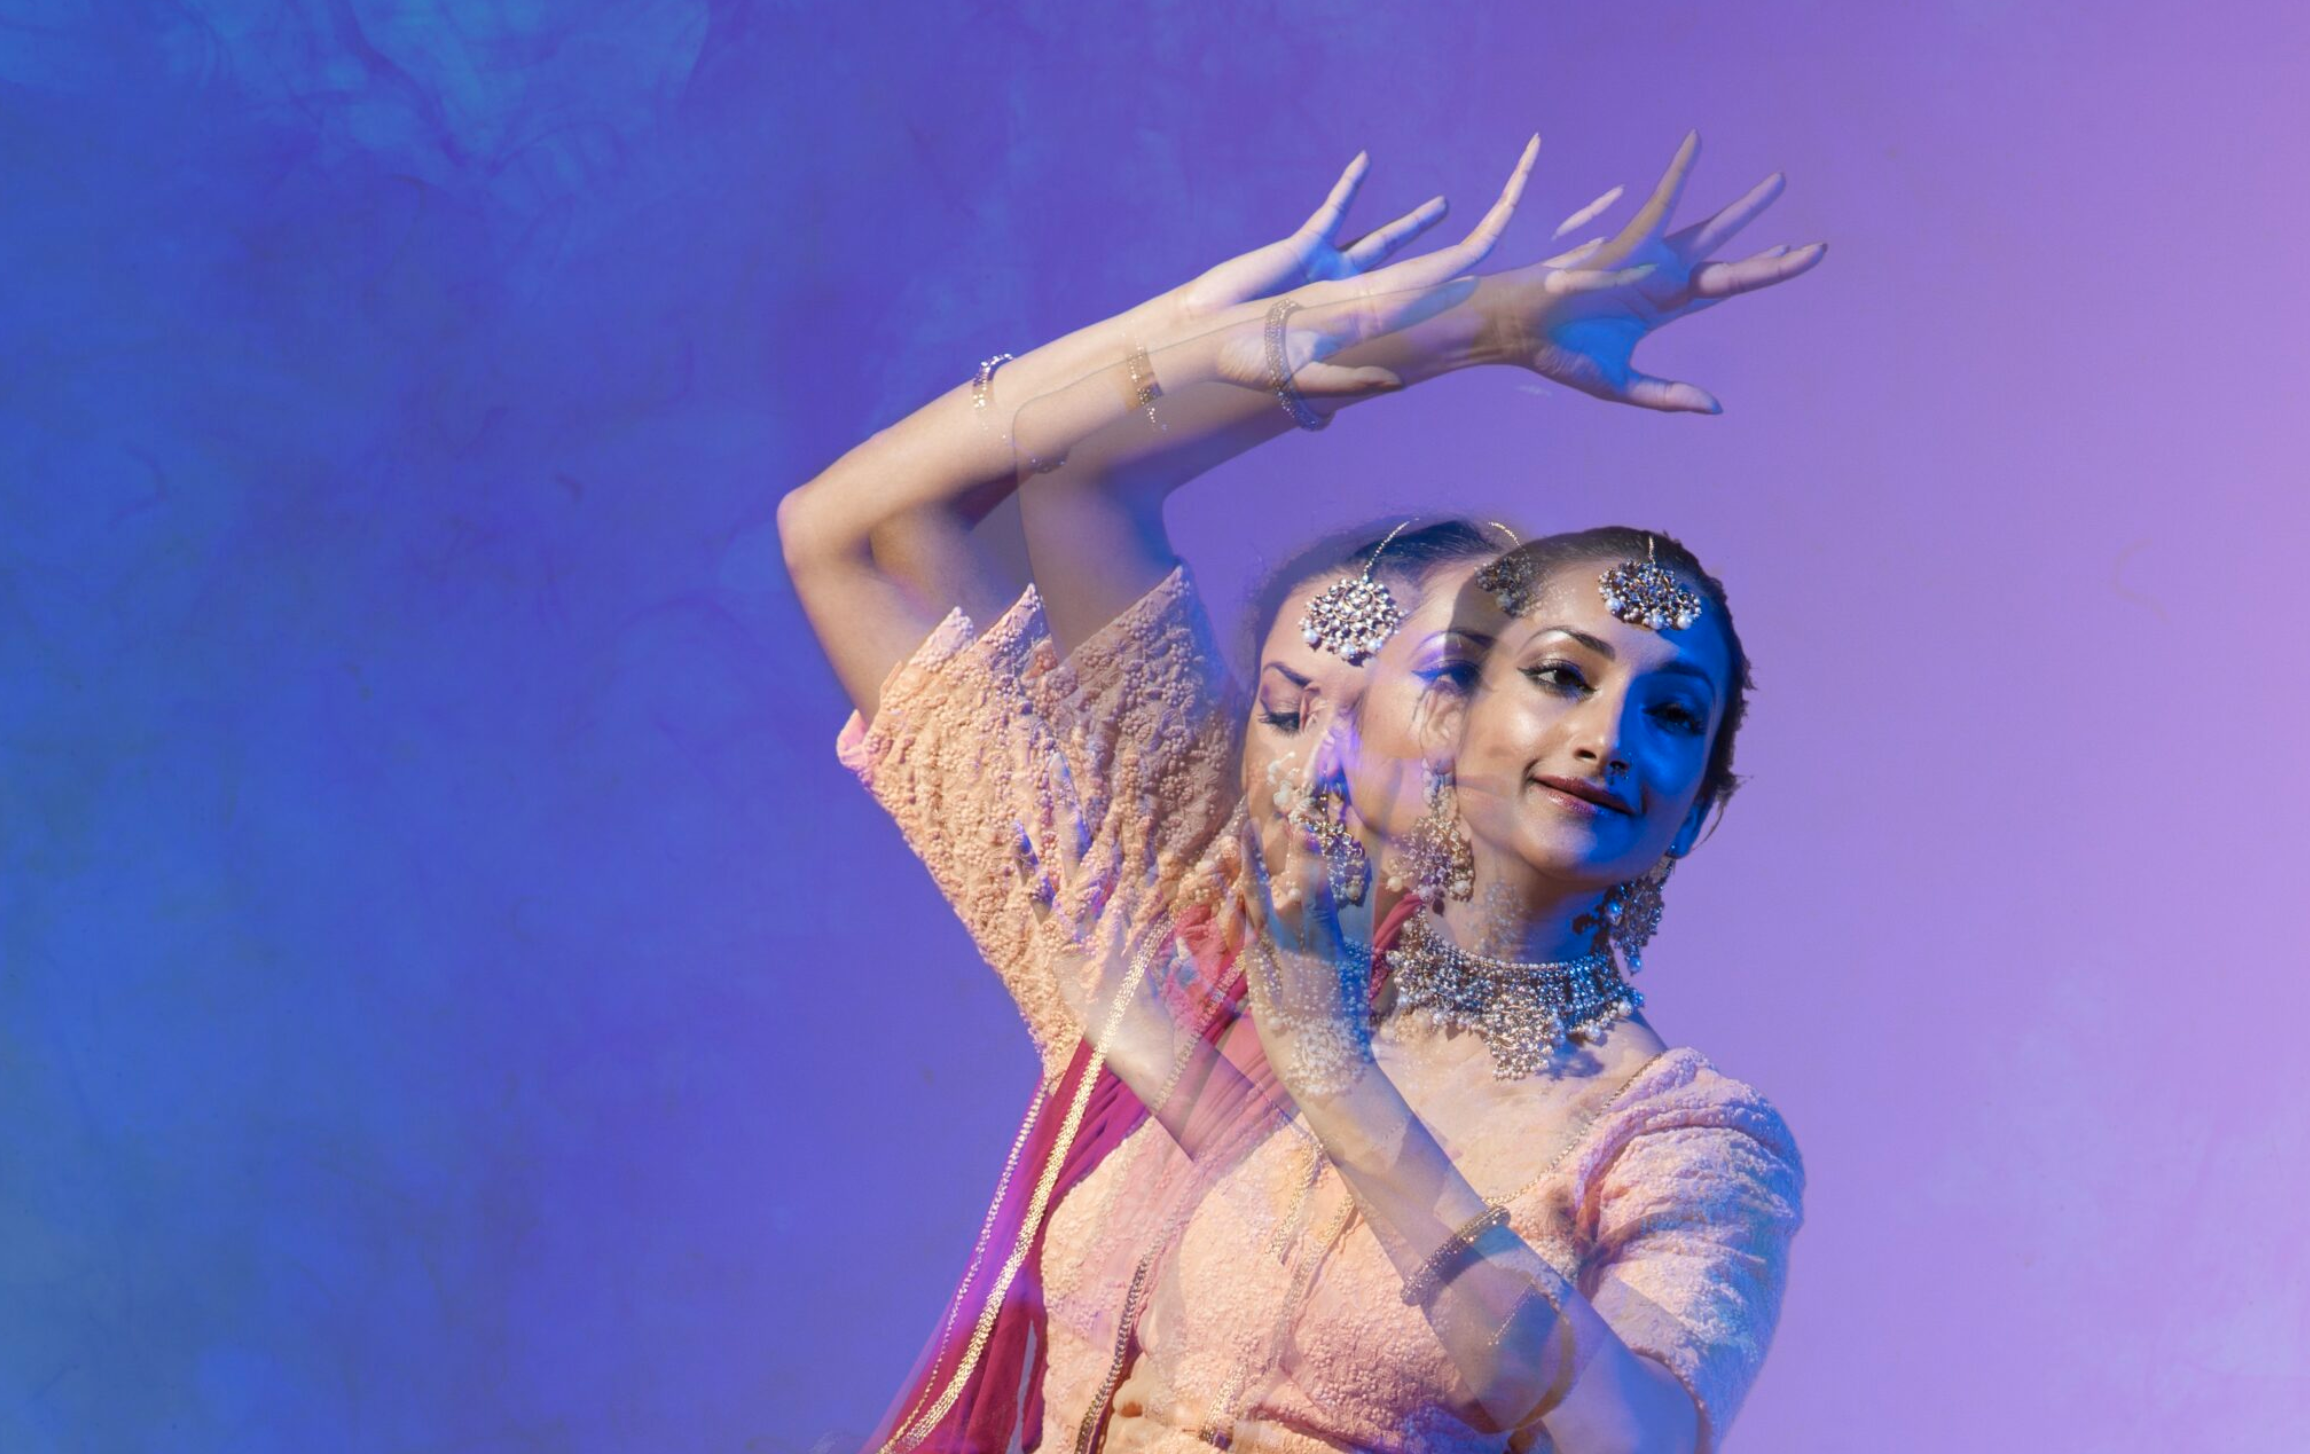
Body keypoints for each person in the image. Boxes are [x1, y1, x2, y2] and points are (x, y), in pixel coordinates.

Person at [777, 131, 1822, 1452]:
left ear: (1698, 808)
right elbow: (982, 511)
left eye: (1672, 711)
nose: (1608, 733)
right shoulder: (1201, 960)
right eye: (1556, 674)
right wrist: (1418, 327)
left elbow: (1636, 1441)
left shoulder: (1674, 1141)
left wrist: (1337, 1071)